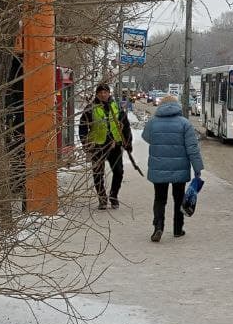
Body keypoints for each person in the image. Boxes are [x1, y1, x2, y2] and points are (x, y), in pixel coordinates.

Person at [141, 94, 204, 242]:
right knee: (179, 198)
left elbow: (146, 137)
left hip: (159, 167)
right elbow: (192, 148)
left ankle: (158, 227)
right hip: (180, 168)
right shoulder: (185, 123)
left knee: (159, 198)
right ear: (177, 106)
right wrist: (197, 168)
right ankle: (177, 229)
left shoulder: (153, 123)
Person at [78, 83, 132, 210]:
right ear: (97, 94)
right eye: (100, 92)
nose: (103, 94)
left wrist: (128, 142)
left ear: (109, 93)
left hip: (115, 145)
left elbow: (126, 125)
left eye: (105, 92)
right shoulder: (90, 108)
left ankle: (114, 196)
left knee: (118, 172)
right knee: (98, 173)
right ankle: (102, 198)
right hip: (98, 145)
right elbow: (82, 128)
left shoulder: (117, 107)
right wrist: (86, 143)